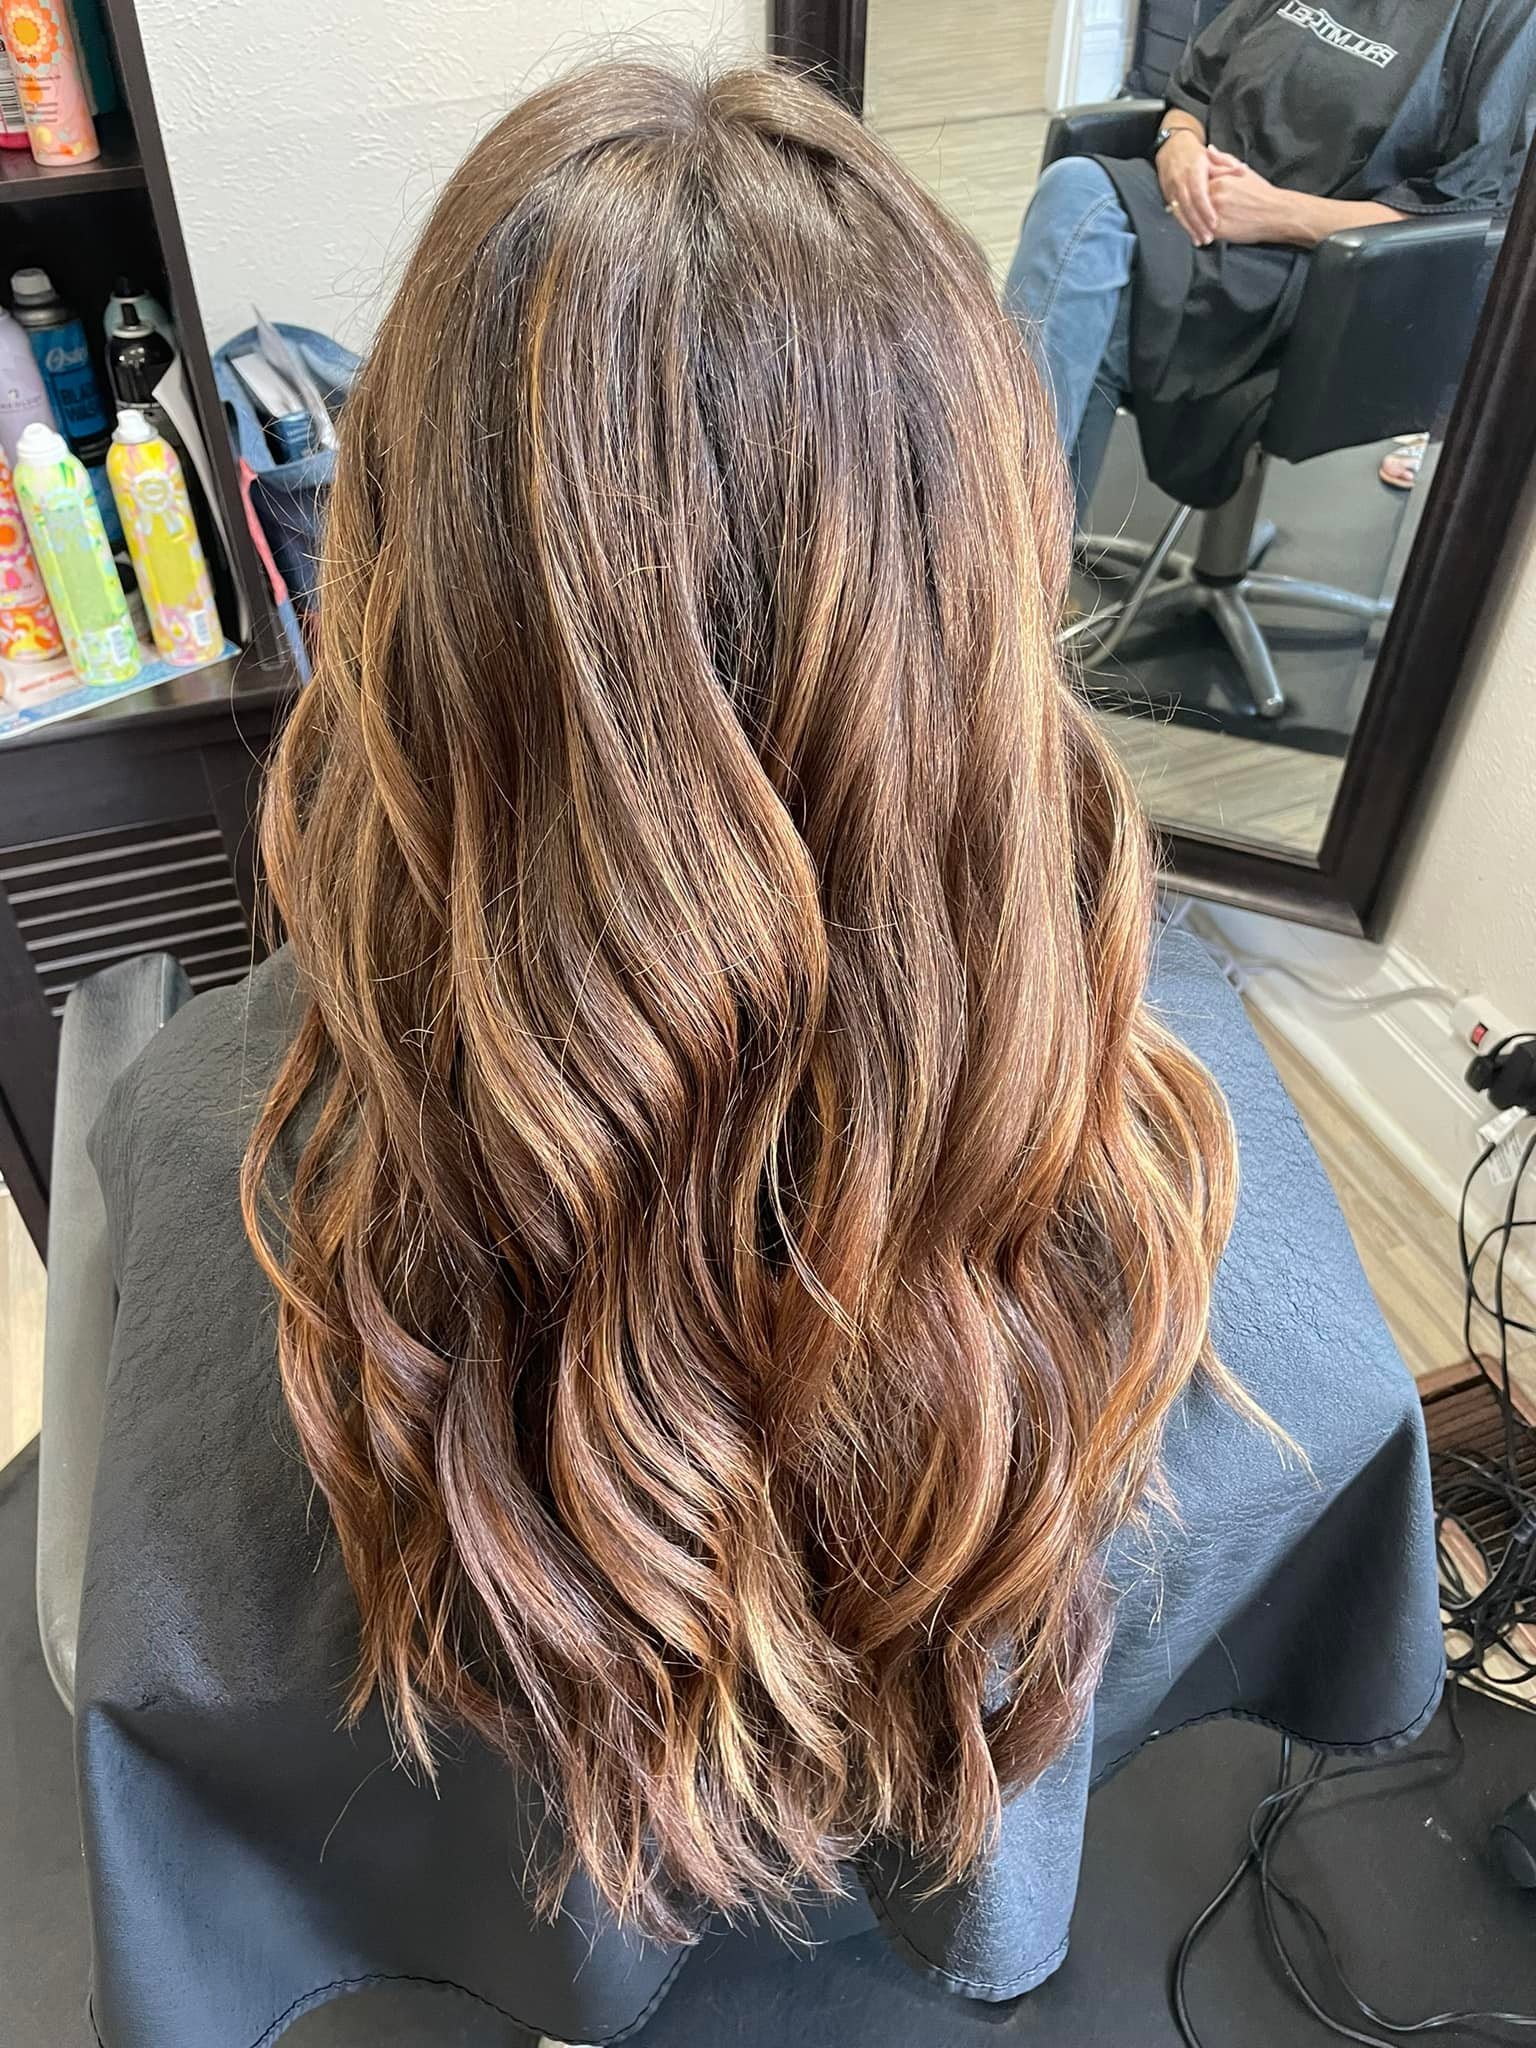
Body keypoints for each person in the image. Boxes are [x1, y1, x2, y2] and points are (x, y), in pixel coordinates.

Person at [72, 62, 1442, 2048]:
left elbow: (170, 1659)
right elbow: (1321, 1444)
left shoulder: (212, 1134)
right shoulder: (1184, 1128)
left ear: (417, 579)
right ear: (975, 579)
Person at [1005, 0, 1536, 518]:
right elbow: (1193, 93)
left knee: (1083, 303)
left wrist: (1277, 213)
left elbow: (1468, 218)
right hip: (1186, 216)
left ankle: (997, 547)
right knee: (1077, 207)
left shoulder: (1506, 17)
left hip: (1325, 278)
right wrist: (1177, 149)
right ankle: (1015, 562)